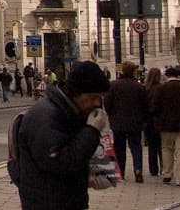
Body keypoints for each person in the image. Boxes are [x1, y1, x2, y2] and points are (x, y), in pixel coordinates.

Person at [12, 58, 110, 210]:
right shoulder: (46, 115)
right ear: (75, 93)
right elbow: (60, 162)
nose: (97, 103)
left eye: (99, 98)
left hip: (65, 200)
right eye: (92, 97)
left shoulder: (70, 111)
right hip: (47, 203)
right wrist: (91, 130)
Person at [104, 61, 150, 183]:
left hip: (118, 122)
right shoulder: (139, 87)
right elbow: (145, 105)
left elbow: (107, 103)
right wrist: (144, 119)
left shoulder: (113, 85)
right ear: (133, 71)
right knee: (136, 147)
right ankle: (138, 169)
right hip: (135, 122)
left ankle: (121, 172)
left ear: (122, 71)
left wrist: (112, 114)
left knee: (119, 147)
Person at [153, 65, 180, 187]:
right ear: (179, 76)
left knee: (166, 149)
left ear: (167, 76)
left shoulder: (161, 89)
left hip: (165, 125)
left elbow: (155, 107)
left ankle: (167, 174)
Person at [147, 69, 165, 180]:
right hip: (160, 120)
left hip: (149, 120)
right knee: (162, 146)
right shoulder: (162, 88)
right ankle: (164, 167)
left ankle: (153, 169)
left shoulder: (146, 89)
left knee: (151, 146)